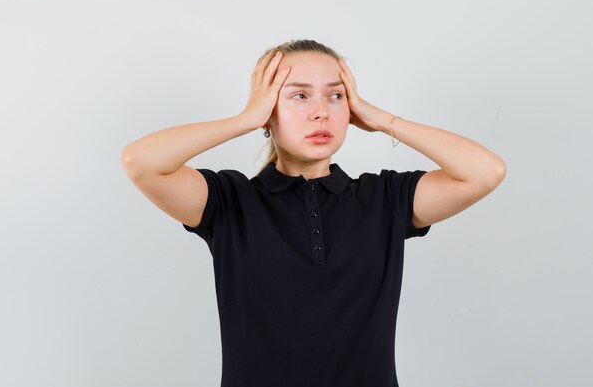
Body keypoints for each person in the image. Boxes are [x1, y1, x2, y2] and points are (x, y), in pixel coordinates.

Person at [120, 39, 507, 387]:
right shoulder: (229, 200)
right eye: (299, 96)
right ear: (267, 110)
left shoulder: (385, 198)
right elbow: (141, 161)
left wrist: (381, 119)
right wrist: (244, 120)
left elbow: (485, 172)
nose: (321, 112)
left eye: (336, 96)